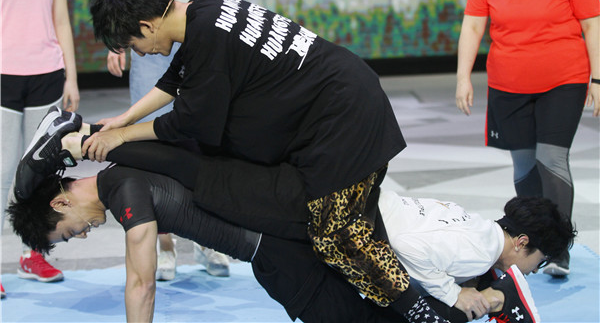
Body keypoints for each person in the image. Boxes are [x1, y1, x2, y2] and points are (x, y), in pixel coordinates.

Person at [84, 0, 447, 321]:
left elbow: (189, 122)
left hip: (342, 120)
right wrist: (124, 119)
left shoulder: (206, 34)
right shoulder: (207, 8)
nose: (139, 53)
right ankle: (440, 298)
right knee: (345, 230)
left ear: (147, 26)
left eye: (133, 45)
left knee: (337, 237)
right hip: (345, 98)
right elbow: (175, 79)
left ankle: (426, 314)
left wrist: (123, 136)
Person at [11, 108, 576, 322]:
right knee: (375, 302)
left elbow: (141, 282)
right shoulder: (128, 162)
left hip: (278, 245)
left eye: (67, 233)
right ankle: (490, 293)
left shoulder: (121, 186)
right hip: (281, 234)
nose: (82, 234)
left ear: (61, 201)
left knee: (370, 314)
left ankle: (495, 299)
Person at [455, 0, 599, 277]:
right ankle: (534, 246)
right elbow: (473, 25)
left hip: (563, 80)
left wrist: (597, 77)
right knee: (524, 168)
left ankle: (558, 249)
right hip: (508, 83)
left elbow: (592, 24)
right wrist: (463, 77)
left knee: (551, 158)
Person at [106, 0, 232, 282]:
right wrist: (117, 43)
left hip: (197, 42)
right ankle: (165, 245)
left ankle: (209, 240)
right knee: (154, 147)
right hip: (150, 51)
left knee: (206, 143)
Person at [1, 0, 80, 296]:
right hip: (3, 76)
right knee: (2, 170)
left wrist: (71, 78)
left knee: (35, 172)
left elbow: (61, 20)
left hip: (46, 74)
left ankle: (31, 254)